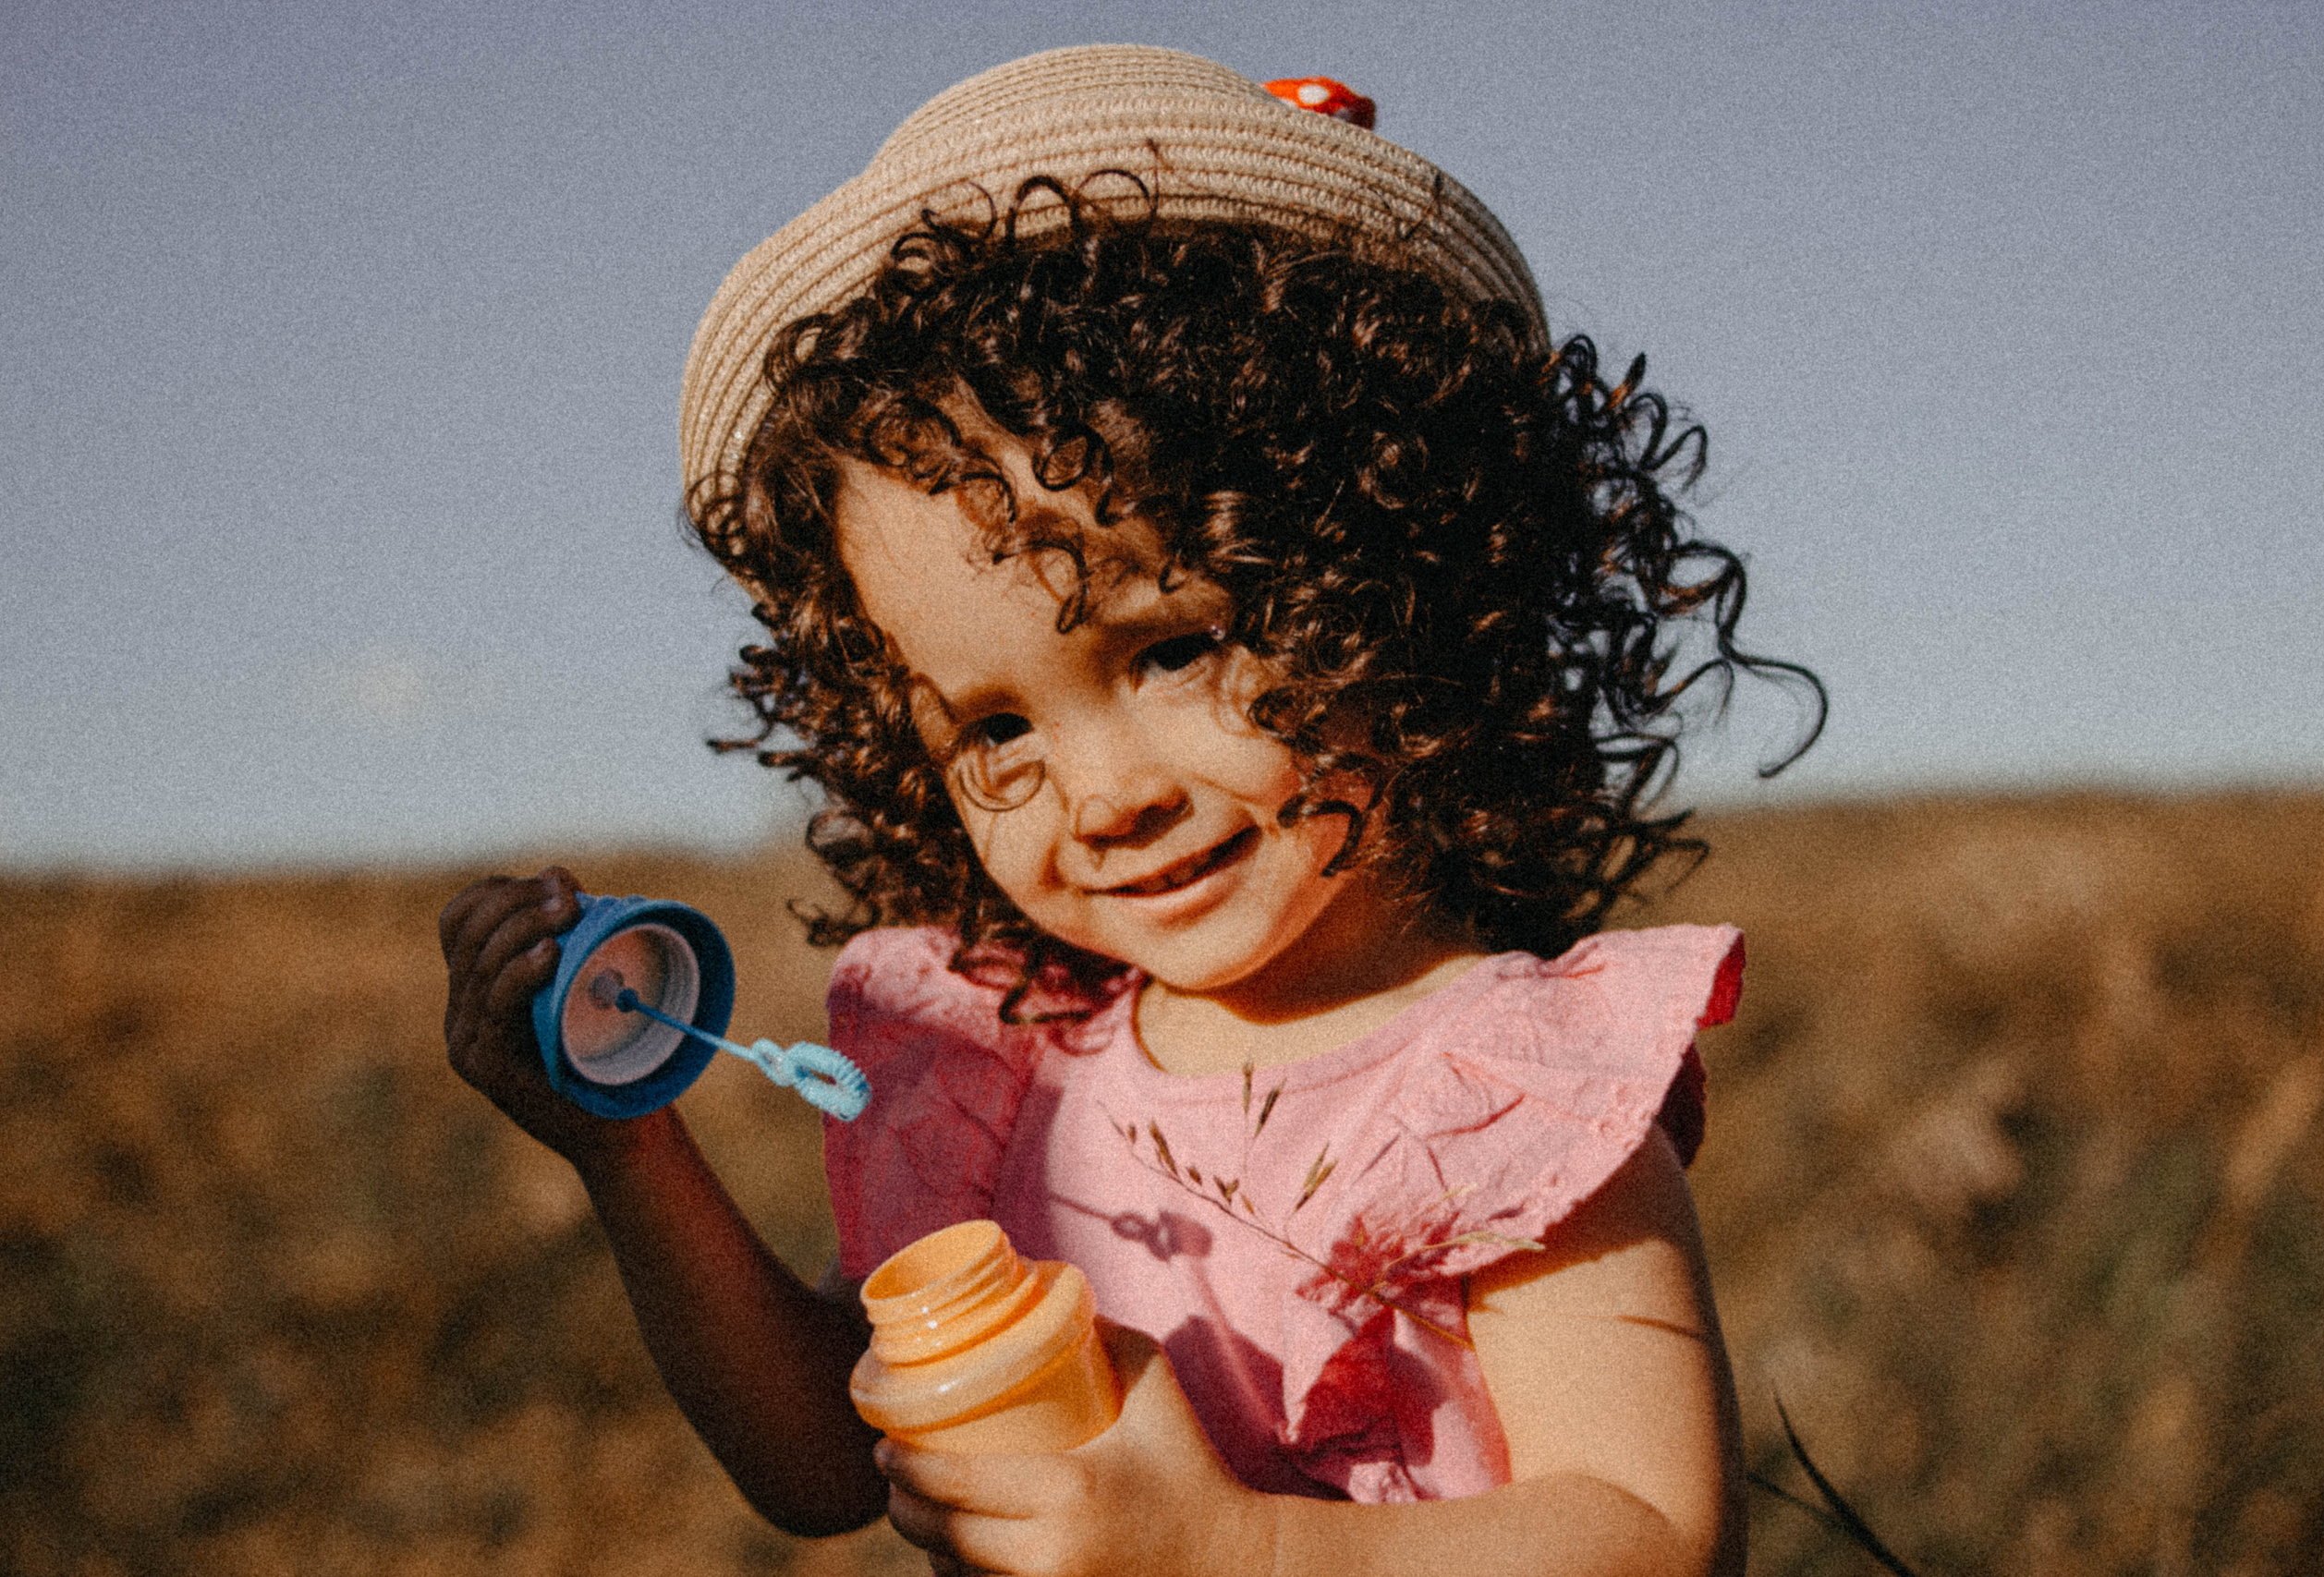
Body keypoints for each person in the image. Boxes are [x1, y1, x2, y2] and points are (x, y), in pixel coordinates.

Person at [441, 44, 1819, 1577]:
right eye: (994, 726)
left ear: (1398, 574)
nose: (1105, 794)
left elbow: (1649, 1530)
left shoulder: (1497, 1091)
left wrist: (1239, 1551)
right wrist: (624, 1151)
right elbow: (829, 1460)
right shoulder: (1007, 1073)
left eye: (1174, 647)